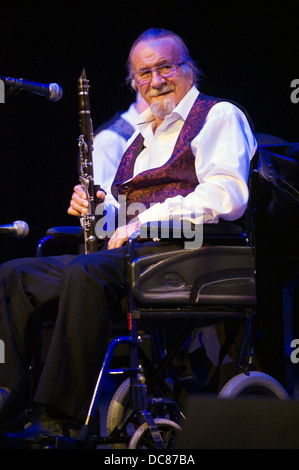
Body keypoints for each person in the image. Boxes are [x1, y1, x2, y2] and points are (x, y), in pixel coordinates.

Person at [0, 28, 257, 435]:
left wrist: (141, 222)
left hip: (190, 252)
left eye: (166, 67)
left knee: (86, 273)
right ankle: (9, 406)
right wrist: (98, 211)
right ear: (134, 82)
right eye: (144, 74)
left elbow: (226, 196)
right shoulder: (141, 137)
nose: (156, 81)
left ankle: (63, 418)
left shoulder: (218, 115)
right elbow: (122, 223)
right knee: (16, 274)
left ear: (189, 69)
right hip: (136, 256)